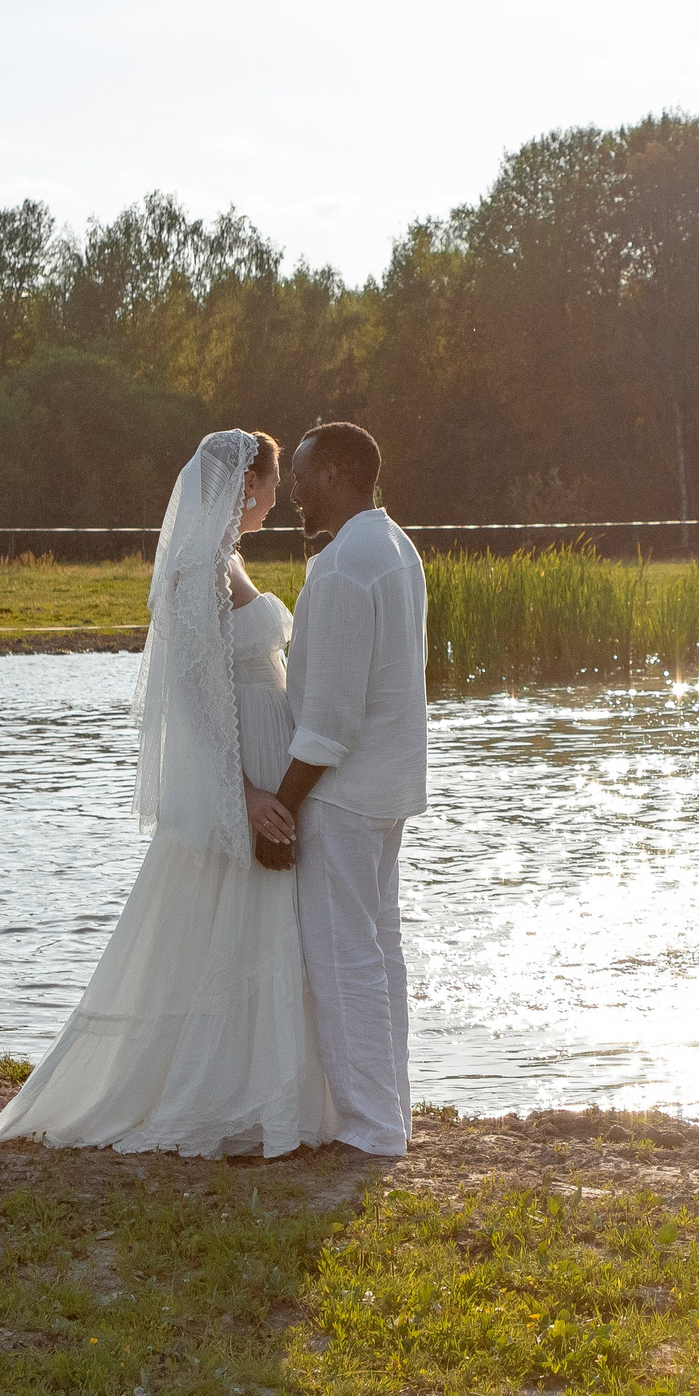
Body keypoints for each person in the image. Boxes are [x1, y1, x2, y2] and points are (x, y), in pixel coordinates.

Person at [0, 430, 337, 1157]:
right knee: (222, 920)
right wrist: (243, 793)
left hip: (267, 761)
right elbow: (193, 698)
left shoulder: (226, 558)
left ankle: (265, 1092)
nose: (277, 497)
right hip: (242, 776)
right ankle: (216, 1098)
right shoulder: (197, 568)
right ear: (247, 484)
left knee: (254, 927)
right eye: (270, 483)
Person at [264, 421, 428, 1158]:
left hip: (341, 794)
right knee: (380, 953)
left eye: (300, 477)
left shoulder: (338, 568)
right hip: (388, 789)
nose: (294, 492)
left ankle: (370, 1126)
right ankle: (390, 1114)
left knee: (344, 959)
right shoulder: (397, 547)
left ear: (333, 474)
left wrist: (280, 806)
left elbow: (327, 720)